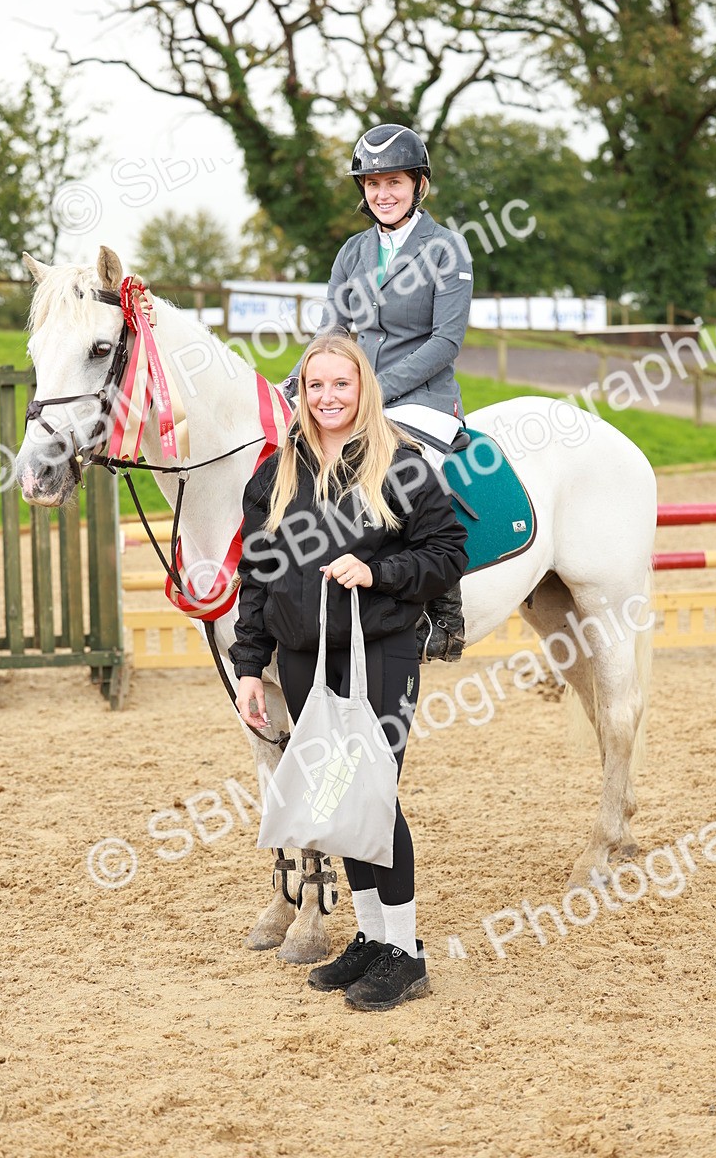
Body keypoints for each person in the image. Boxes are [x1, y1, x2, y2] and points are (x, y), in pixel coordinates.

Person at [230, 332, 468, 1012]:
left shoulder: (401, 465)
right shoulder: (277, 473)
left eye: (341, 384)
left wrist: (378, 571)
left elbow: (448, 551)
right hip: (304, 657)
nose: (328, 397)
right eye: (316, 385)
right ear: (302, 393)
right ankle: (370, 936)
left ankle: (406, 953)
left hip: (381, 651)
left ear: (363, 387)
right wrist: (250, 666)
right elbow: (257, 577)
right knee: (336, 795)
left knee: (372, 794)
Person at [282, 123, 473, 661]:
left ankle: (444, 612)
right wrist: (295, 382)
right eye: (372, 184)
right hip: (355, 394)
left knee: (409, 468)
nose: (383, 194)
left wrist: (374, 390)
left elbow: (446, 341)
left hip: (423, 398)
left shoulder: (447, 248)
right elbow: (332, 333)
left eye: (394, 182)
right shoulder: (353, 252)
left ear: (418, 185)